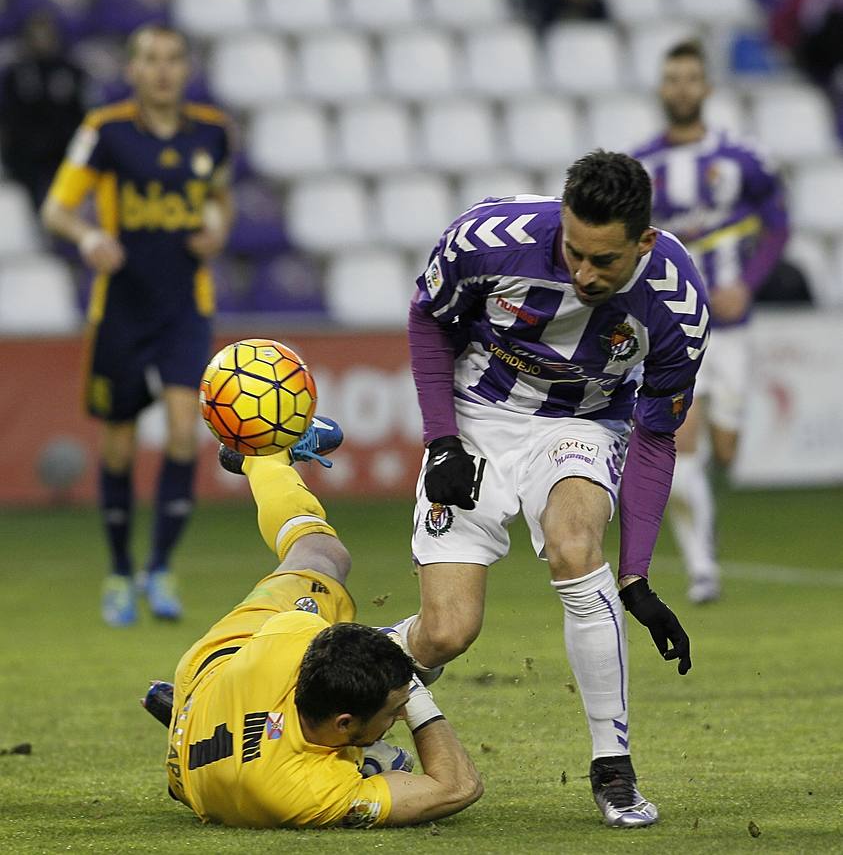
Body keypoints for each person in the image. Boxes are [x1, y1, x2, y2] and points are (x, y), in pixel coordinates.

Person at [389, 150, 707, 828]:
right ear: (561, 220)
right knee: (446, 634)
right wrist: (441, 438)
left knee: (572, 545)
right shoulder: (485, 240)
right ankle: (328, 671)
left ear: (643, 244)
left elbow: (654, 434)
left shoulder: (677, 302)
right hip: (474, 418)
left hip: (581, 425)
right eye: (574, 252)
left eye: (605, 262)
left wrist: (636, 578)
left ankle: (612, 769)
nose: (584, 274)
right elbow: (428, 318)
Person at [142, 421, 482, 829]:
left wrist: (390, 669)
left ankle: (261, 460)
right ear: (343, 723)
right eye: (395, 712)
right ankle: (262, 451)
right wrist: (412, 686)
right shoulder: (312, 792)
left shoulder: (286, 642)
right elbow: (458, 787)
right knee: (391, 761)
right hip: (209, 758)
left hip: (216, 667)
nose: (399, 718)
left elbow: (336, 645)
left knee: (322, 555)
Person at [40, 25, 235, 626]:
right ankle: (120, 570)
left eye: (173, 59)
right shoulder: (105, 132)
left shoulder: (212, 133)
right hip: (121, 308)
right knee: (119, 443)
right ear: (133, 68)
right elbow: (56, 209)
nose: (162, 70)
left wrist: (219, 228)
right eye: (150, 59)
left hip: (184, 305)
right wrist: (89, 234)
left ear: (185, 67)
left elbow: (219, 198)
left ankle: (160, 568)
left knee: (183, 430)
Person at [631, 40, 789, 604]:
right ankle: (703, 570)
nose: (681, 88)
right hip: (672, 329)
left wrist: (747, 283)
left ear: (706, 88)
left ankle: (706, 520)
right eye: (672, 78)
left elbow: (777, 223)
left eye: (690, 78)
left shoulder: (741, 159)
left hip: (733, 329)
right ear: (661, 88)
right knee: (680, 441)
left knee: (725, 448)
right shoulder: (640, 168)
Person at [0, 9, 86, 209]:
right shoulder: (15, 74)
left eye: (46, 35)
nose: (41, 41)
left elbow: (84, 116)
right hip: (24, 154)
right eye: (36, 36)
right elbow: (5, 116)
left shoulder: (71, 71)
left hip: (64, 151)